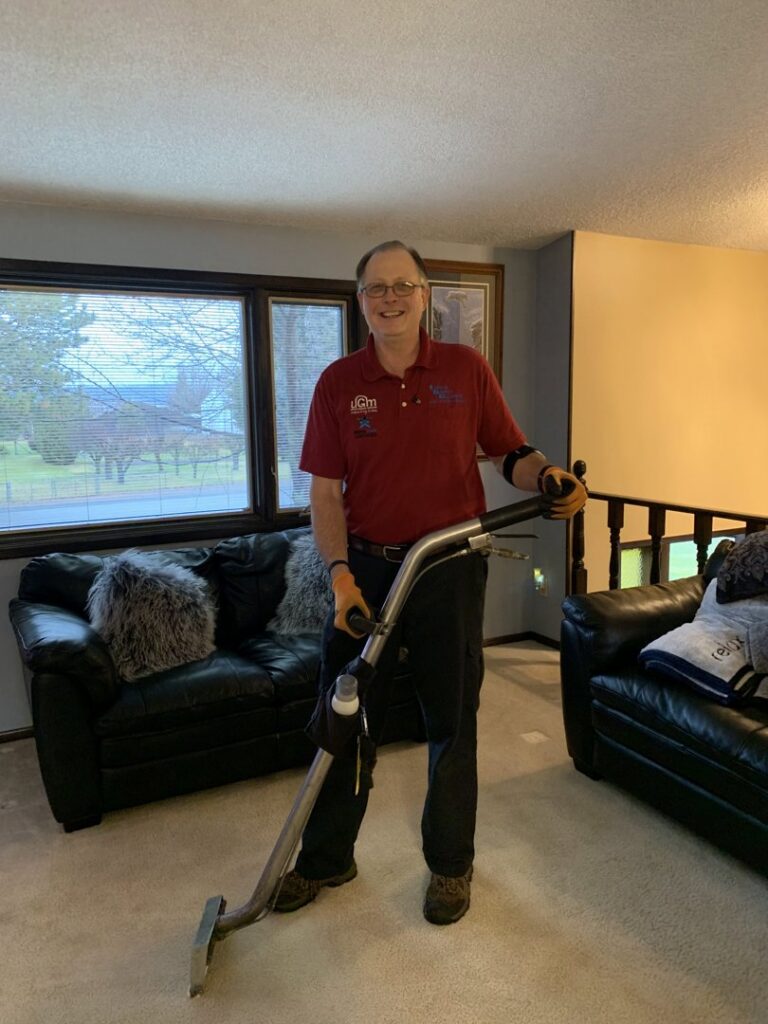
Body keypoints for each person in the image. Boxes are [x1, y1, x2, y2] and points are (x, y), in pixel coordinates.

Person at [274, 240, 587, 925]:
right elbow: (325, 495)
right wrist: (340, 580)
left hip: (447, 564)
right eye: (375, 289)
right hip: (369, 568)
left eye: (401, 286)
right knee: (344, 714)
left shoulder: (464, 370)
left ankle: (450, 867)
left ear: (423, 295)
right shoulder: (337, 383)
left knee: (451, 719)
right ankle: (327, 860)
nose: (389, 298)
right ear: (361, 303)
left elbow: (510, 451)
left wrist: (550, 478)